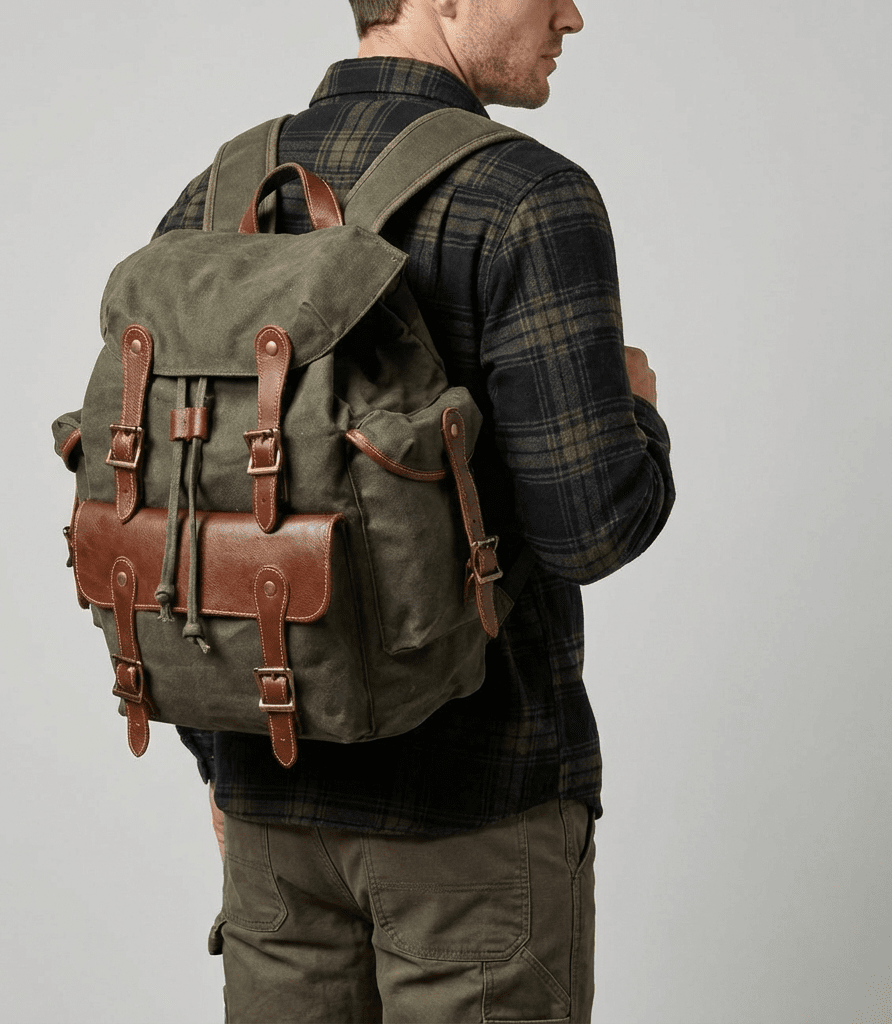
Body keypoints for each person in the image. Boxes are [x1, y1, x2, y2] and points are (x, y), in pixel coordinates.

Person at [153, 1, 675, 1020]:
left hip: (267, 811)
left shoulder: (216, 196)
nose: (572, 15)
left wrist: (222, 764)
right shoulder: (528, 196)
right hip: (475, 821)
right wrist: (639, 413)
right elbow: (591, 527)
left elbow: (184, 520)